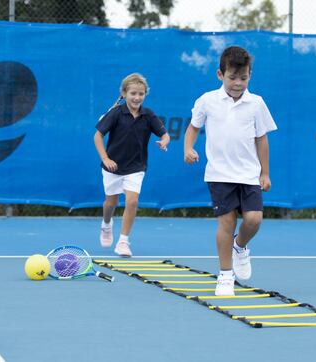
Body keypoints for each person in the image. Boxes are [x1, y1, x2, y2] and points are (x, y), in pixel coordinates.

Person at [184, 46, 277, 296]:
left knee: (254, 219)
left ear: (250, 76)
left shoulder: (256, 103)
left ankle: (240, 246)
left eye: (243, 78)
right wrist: (188, 148)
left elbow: (262, 139)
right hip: (219, 174)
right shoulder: (207, 101)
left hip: (249, 174)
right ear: (220, 74)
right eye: (232, 77)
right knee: (226, 222)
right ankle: (225, 275)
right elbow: (193, 127)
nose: (237, 83)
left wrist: (264, 173)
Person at [94, 73, 170, 257]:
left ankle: (123, 241)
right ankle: (106, 224)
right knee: (110, 203)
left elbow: (164, 134)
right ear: (124, 93)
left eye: (141, 94)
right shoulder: (116, 113)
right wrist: (105, 159)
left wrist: (164, 141)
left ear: (145, 95)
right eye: (133, 93)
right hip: (112, 167)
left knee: (132, 201)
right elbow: (97, 136)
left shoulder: (148, 115)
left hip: (136, 167)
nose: (137, 97)